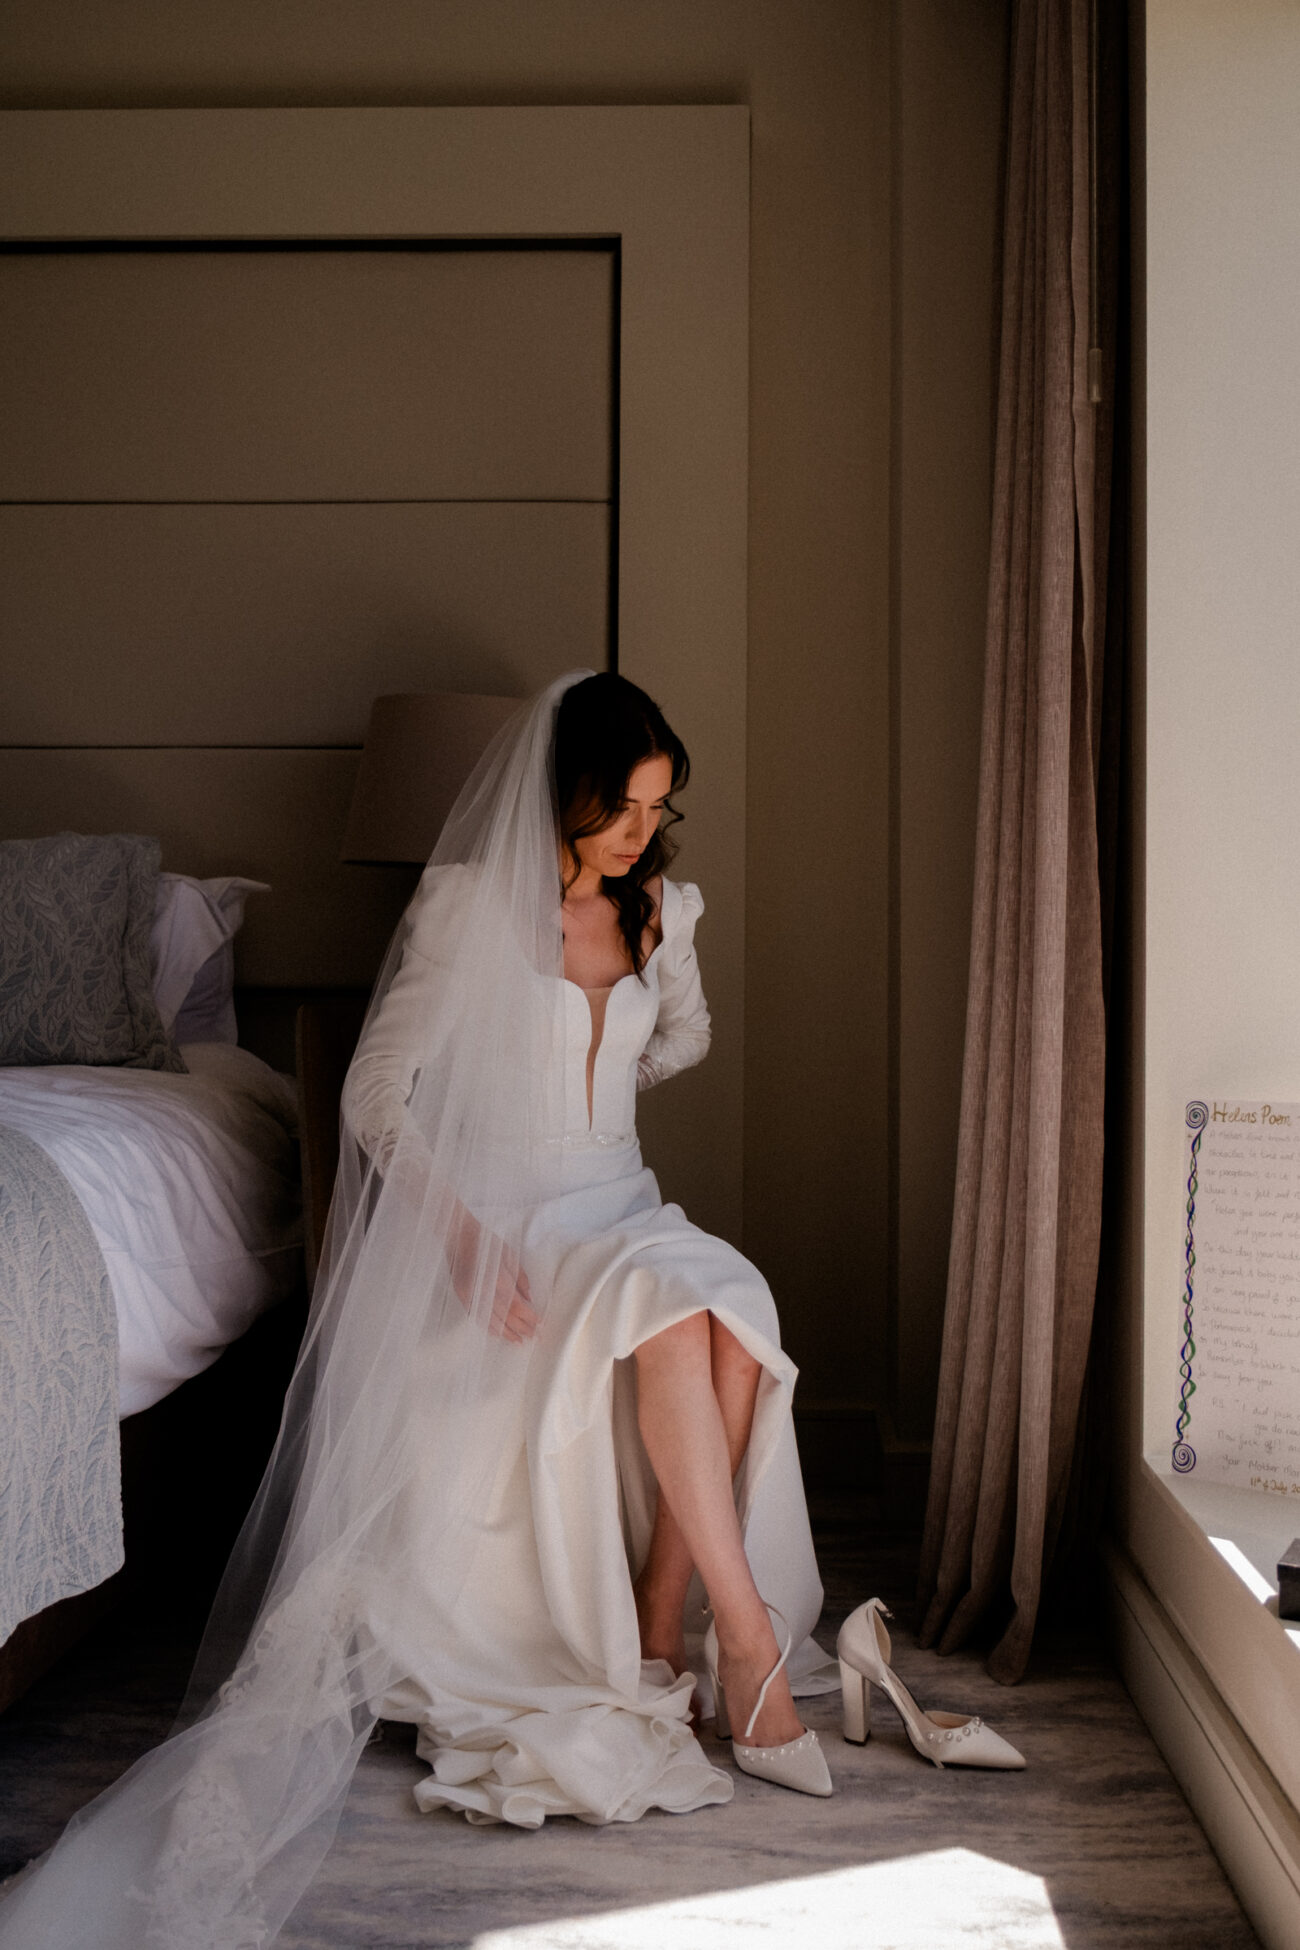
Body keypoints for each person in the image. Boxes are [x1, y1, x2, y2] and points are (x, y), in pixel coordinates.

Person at [0, 670, 834, 1949]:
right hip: (508, 1218)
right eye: (618, 807)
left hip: (622, 1202)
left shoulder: (666, 909)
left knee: (727, 1308)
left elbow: (685, 1040)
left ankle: (671, 1626)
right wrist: (462, 1228)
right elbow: (375, 1091)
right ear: (560, 796)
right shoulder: (465, 910)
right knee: (684, 1320)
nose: (639, 834)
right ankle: (739, 1636)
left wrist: (607, 1071)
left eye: (656, 810)